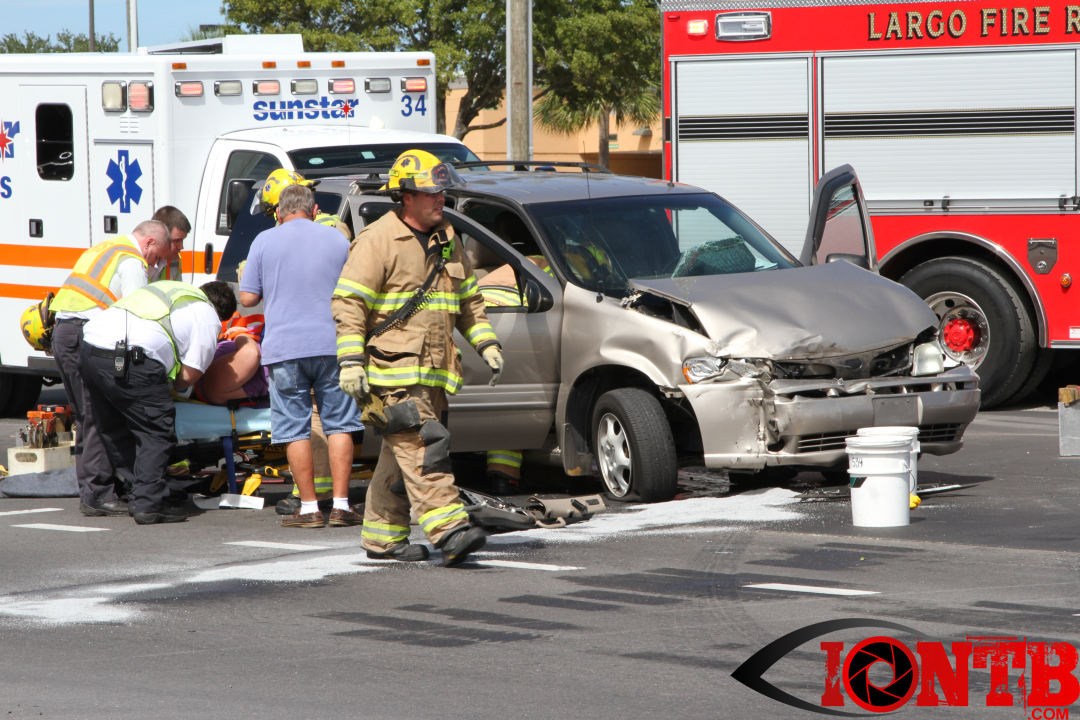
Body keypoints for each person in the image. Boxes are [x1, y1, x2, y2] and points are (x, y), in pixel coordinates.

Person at [333, 149, 503, 566]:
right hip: (393, 373)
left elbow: (468, 301)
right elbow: (349, 303)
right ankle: (450, 530)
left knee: (401, 454)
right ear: (406, 196)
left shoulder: (448, 240)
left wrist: (486, 343)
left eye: (442, 192)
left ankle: (383, 537)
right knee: (426, 447)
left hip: (435, 373)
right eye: (431, 192)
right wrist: (351, 362)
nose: (440, 198)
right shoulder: (377, 241)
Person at [239, 183, 363, 529]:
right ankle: (341, 506)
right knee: (341, 424)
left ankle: (309, 509)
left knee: (294, 429)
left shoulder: (264, 240)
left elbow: (247, 298)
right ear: (315, 210)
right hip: (333, 345)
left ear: (279, 212)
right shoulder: (338, 239)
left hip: (284, 349)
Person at [79, 281, 229, 524]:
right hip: (133, 359)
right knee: (156, 432)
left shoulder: (171, 289)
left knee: (114, 427)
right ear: (222, 314)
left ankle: (139, 491)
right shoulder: (209, 317)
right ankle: (149, 504)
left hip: (90, 348)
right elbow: (187, 377)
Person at [48, 220, 170, 516]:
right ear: (149, 243)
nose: (155, 264)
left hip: (65, 333)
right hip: (84, 334)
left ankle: (97, 489)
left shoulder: (106, 247)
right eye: (156, 257)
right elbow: (139, 312)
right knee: (95, 415)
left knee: (87, 415)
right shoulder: (131, 260)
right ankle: (97, 494)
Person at [474, 254, 553, 495]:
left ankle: (503, 476)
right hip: (508, 324)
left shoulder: (508, 268)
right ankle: (505, 476)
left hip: (485, 324)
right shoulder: (557, 262)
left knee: (504, 401)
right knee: (518, 400)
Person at [149, 206, 191, 282]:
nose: (181, 247)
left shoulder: (175, 261)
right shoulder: (136, 263)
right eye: (177, 241)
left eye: (182, 240)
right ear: (160, 236)